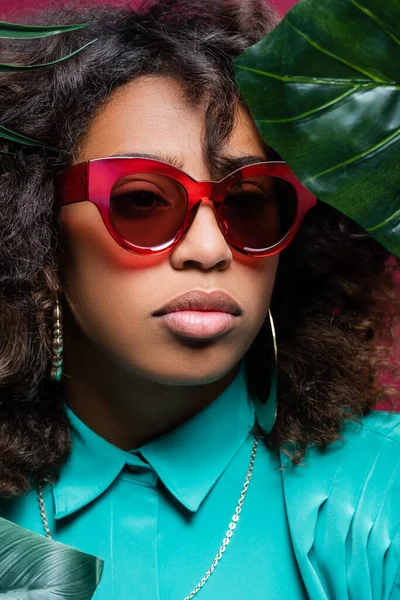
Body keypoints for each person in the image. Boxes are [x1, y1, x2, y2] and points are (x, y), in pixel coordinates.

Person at [0, 0, 399, 598]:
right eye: (140, 201)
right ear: (40, 235)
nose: (210, 249)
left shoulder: (378, 494)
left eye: (248, 202)